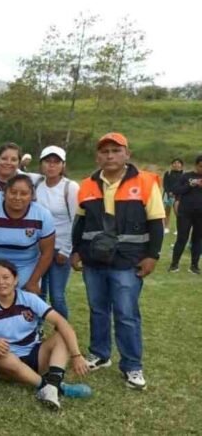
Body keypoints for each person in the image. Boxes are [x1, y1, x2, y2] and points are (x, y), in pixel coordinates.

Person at [71, 132, 164, 390]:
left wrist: (152, 255)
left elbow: (156, 222)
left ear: (127, 154)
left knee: (126, 314)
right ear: (97, 156)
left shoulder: (145, 182)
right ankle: (100, 354)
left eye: (115, 150)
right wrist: (76, 250)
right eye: (104, 151)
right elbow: (79, 225)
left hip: (128, 261)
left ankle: (132, 366)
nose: (109, 156)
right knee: (98, 310)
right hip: (94, 261)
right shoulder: (86, 185)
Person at [0, 260, 91, 410]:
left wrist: (76, 355)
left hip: (34, 354)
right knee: (5, 359)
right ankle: (53, 387)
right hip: (8, 360)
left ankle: (52, 386)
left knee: (61, 335)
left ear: (15, 279)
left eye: (6, 277)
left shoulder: (29, 299)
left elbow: (61, 322)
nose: (1, 282)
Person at [0, 174, 56, 296]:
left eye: (24, 193)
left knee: (25, 306)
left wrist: (33, 282)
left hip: (26, 265)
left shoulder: (43, 215)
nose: (17, 197)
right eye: (13, 192)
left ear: (32, 196)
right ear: (4, 193)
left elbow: (47, 253)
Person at [34, 146, 79, 319]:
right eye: (47, 161)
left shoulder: (70, 187)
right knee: (39, 292)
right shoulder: (37, 183)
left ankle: (62, 332)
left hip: (60, 249)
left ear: (63, 165)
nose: (51, 166)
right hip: (39, 249)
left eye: (56, 162)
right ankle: (37, 330)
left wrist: (66, 250)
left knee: (57, 296)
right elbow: (14, 170)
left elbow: (76, 221)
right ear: (41, 164)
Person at [169, 154, 202, 274]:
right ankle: (174, 264)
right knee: (182, 238)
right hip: (185, 213)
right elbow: (175, 189)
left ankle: (194, 266)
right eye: (200, 166)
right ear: (196, 165)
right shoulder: (186, 176)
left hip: (200, 215)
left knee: (197, 240)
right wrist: (191, 184)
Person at [163, 158, 185, 234]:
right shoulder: (168, 173)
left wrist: (176, 193)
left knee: (178, 212)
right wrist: (169, 192)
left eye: (178, 163)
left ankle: (178, 229)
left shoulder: (184, 175)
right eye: (174, 163)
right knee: (167, 212)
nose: (176, 164)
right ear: (172, 165)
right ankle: (166, 227)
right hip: (168, 195)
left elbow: (183, 186)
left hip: (178, 197)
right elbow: (165, 184)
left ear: (181, 165)